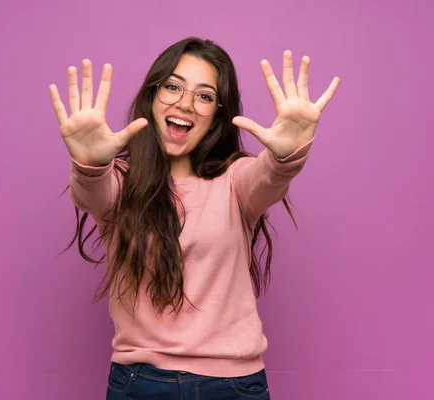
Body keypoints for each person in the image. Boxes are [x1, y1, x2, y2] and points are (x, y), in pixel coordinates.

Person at [48, 37, 339, 399]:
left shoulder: (236, 180)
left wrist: (287, 156)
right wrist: (91, 164)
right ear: (152, 97)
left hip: (234, 386)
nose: (185, 103)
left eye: (204, 96)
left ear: (218, 113)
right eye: (172, 87)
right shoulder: (120, 182)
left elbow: (268, 177)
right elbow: (92, 192)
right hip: (140, 384)